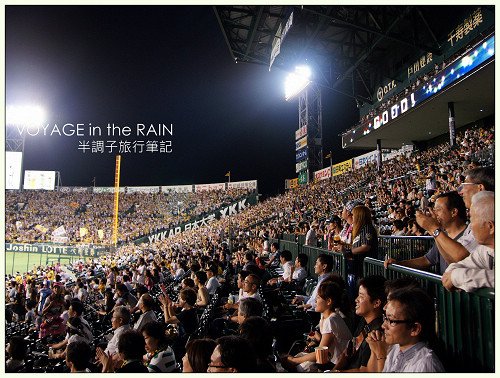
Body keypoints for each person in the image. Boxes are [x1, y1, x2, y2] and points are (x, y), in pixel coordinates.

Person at [416, 166, 494, 266]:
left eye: (464, 186)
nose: (461, 192)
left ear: (480, 188)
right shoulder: (473, 224)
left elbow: (459, 257)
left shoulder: (486, 219)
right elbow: (452, 260)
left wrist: (432, 228)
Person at [385, 192, 470, 274]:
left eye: (438, 210)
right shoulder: (441, 234)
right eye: (434, 210)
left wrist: (433, 228)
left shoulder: (470, 234)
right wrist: (399, 264)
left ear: (454, 212)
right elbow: (427, 260)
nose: (434, 214)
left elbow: (460, 263)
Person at [365, 287, 445, 372]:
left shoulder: (425, 365)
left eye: (391, 321)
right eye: (385, 318)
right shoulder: (395, 349)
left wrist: (381, 354)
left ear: (415, 329)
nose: (383, 325)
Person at [284, 281, 352, 372]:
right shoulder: (325, 317)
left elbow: (319, 353)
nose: (315, 301)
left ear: (328, 301)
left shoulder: (331, 320)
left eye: (318, 298)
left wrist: (294, 361)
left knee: (300, 366)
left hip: (337, 365)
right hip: (330, 360)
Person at [442, 191, 494, 292]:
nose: (470, 226)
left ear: (490, 226)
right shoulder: (485, 249)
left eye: (472, 220)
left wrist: (458, 277)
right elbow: (455, 267)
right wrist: (453, 275)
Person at [333, 275, 386, 372]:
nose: (356, 300)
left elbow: (364, 371)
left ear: (376, 303)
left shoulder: (378, 333)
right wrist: (334, 370)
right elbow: (347, 352)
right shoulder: (363, 321)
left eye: (361, 296)